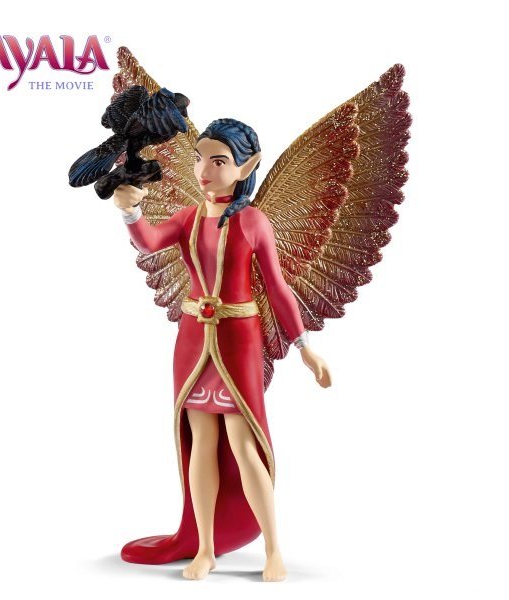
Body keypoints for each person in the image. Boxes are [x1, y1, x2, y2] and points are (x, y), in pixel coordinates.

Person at [114, 118, 332, 582]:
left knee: (243, 442)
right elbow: (150, 242)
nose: (204, 171)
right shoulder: (190, 218)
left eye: (218, 162)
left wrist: (304, 347)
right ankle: (205, 547)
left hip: (237, 339)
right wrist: (130, 212)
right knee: (201, 443)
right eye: (200, 159)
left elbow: (277, 287)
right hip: (193, 339)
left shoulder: (253, 221)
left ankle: (273, 549)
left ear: (246, 167)